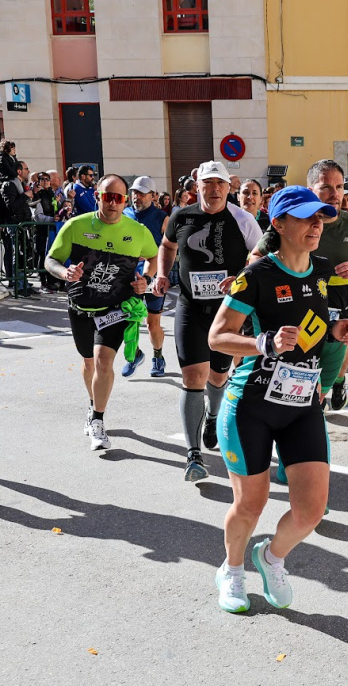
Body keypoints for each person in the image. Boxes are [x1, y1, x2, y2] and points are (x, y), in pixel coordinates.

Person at [207, 186, 348, 613]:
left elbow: (314, 322)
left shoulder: (323, 270)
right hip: (251, 403)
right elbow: (217, 336)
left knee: (311, 511)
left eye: (321, 218)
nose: (316, 225)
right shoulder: (256, 275)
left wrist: (337, 331)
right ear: (279, 224)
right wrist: (264, 342)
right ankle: (231, 571)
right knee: (250, 504)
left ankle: (271, 558)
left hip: (302, 402)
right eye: (307, 217)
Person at [151, 161, 263, 481]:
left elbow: (260, 257)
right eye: (207, 184)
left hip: (227, 313)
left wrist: (241, 279)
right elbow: (168, 245)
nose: (214, 190)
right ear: (196, 186)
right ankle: (193, 454)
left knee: (218, 377)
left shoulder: (243, 220)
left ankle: (213, 416)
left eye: (220, 184)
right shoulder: (181, 216)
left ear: (229, 188)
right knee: (193, 378)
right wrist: (162, 273)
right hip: (189, 307)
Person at [251, 159, 348, 414]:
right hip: (297, 308)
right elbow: (256, 259)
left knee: (340, 356)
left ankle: (334, 385)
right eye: (326, 187)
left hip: (343, 306)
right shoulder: (290, 222)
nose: (335, 194)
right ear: (310, 190)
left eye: (339, 186)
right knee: (298, 369)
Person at [44, 174, 158, 451]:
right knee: (88, 363)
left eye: (119, 198)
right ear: (98, 196)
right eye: (108, 196)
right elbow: (50, 260)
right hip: (81, 305)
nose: (114, 203)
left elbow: (155, 256)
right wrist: (65, 272)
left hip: (116, 307)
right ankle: (93, 404)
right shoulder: (75, 226)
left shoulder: (138, 231)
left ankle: (97, 419)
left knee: (103, 360)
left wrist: (148, 278)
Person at [122, 175, 169, 378]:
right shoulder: (123, 214)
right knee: (126, 318)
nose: (136, 197)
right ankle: (134, 354)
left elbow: (169, 249)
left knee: (152, 323)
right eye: (134, 192)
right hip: (128, 276)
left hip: (153, 276)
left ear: (153, 195)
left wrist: (158, 272)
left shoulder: (162, 218)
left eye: (141, 193)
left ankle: (158, 356)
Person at [0, 159, 33, 296]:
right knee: (18, 254)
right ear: (19, 171)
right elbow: (12, 206)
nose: (28, 171)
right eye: (26, 169)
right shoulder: (9, 185)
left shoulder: (20, 184)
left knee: (24, 255)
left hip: (23, 224)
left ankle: (25, 283)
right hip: (15, 225)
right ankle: (19, 285)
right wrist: (24, 197)